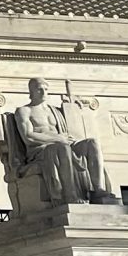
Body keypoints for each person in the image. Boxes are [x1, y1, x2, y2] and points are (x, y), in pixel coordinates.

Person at [9, 77, 111, 205]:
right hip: (41, 149)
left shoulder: (54, 111)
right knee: (63, 148)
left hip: (64, 144)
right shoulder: (24, 111)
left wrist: (73, 108)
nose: (43, 92)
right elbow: (28, 137)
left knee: (92, 143)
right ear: (31, 92)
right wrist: (58, 138)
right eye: (39, 89)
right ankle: (69, 194)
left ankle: (98, 190)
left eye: (46, 89)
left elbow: (70, 128)